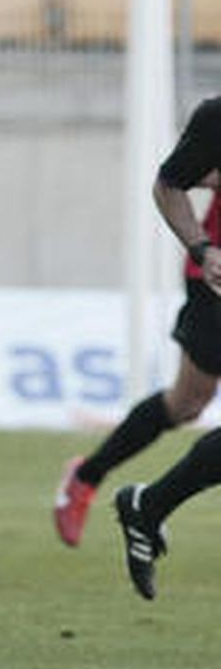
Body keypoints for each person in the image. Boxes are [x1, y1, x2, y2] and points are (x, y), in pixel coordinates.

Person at [55, 96, 221, 600]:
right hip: (215, 283)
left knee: (186, 405)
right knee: (186, 403)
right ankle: (100, 484)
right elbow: (169, 185)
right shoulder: (217, 118)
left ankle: (140, 504)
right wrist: (201, 247)